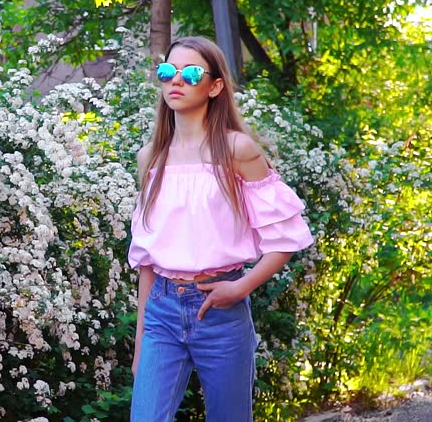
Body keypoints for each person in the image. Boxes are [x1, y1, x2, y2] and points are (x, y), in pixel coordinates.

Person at [128, 36, 314, 421]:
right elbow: (147, 257)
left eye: (190, 73)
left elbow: (287, 237)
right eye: (168, 71)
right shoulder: (150, 158)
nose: (175, 80)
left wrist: (241, 287)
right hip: (161, 311)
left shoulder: (238, 150)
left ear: (214, 86)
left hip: (221, 310)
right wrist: (140, 343)